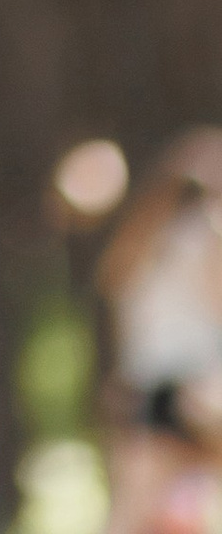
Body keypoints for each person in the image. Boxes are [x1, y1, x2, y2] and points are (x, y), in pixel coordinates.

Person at [103, 132, 222, 534]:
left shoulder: (140, 245)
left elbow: (121, 306)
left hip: (149, 387)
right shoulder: (204, 237)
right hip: (199, 386)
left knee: (135, 509)